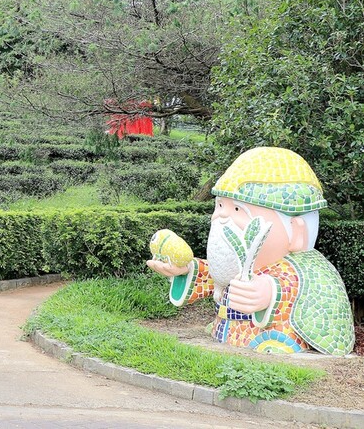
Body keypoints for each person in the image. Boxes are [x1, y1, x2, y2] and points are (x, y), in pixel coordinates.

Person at [147, 147, 354, 355]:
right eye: (220, 206)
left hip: (272, 337)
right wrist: (186, 270)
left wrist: (269, 292)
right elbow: (219, 275)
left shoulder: (306, 271)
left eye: (238, 209)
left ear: (297, 233)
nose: (222, 217)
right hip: (226, 328)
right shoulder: (235, 260)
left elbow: (298, 290)